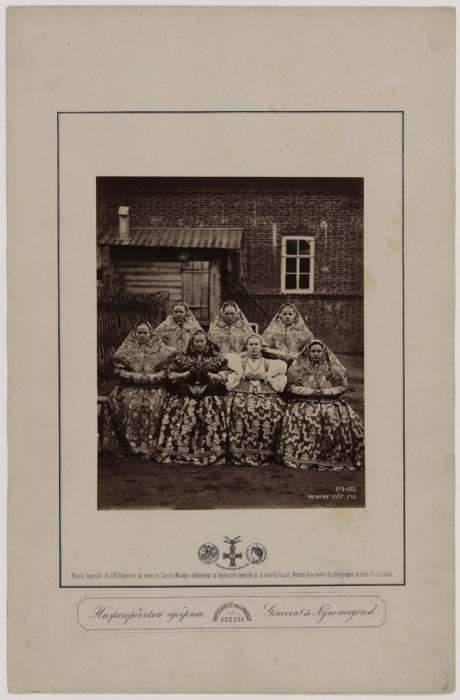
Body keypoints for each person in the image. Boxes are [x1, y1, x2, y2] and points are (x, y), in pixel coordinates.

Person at [279, 339, 364, 470]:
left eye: (319, 351)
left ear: (323, 352)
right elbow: (290, 387)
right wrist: (309, 391)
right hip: (304, 402)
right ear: (308, 352)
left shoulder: (333, 368)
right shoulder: (298, 368)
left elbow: (342, 386)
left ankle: (332, 455)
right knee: (303, 417)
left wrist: (326, 392)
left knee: (338, 418)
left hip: (329, 401)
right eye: (313, 351)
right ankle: (302, 455)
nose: (316, 354)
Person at [100, 321, 176, 458]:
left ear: (150, 334)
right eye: (139, 333)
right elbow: (119, 370)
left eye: (145, 333)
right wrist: (134, 376)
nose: (142, 335)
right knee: (117, 402)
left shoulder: (162, 351)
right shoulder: (125, 351)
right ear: (135, 334)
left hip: (153, 388)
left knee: (155, 406)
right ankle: (124, 446)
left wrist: (152, 377)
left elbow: (167, 371)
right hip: (130, 387)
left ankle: (151, 446)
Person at [157, 330, 229, 466]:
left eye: (202, 341)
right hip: (185, 393)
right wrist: (186, 376)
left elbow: (225, 376)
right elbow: (171, 375)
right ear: (192, 343)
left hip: (208, 393)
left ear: (207, 342)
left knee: (209, 413)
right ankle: (179, 451)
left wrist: (209, 377)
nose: (199, 344)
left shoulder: (217, 359)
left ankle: (210, 453)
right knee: (181, 412)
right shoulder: (181, 358)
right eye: (197, 341)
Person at [225, 334, 287, 467]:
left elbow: (278, 382)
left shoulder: (269, 363)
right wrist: (242, 375)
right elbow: (231, 381)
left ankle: (266, 452)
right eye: (251, 344)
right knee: (238, 408)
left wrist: (266, 376)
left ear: (261, 346)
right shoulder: (239, 363)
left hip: (265, 392)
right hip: (242, 391)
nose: (253, 347)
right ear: (246, 347)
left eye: (256, 344)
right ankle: (238, 452)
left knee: (273, 410)